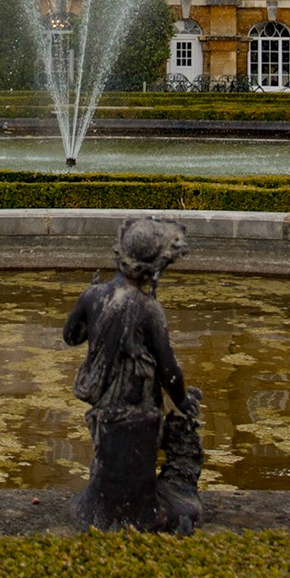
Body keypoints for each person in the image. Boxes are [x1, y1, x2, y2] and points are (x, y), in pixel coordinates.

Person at [63, 215, 204, 532]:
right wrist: (182, 401)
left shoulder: (93, 296)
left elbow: (71, 337)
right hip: (138, 406)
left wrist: (90, 306)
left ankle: (103, 505)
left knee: (108, 461)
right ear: (153, 268)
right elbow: (168, 369)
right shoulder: (147, 308)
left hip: (104, 408)